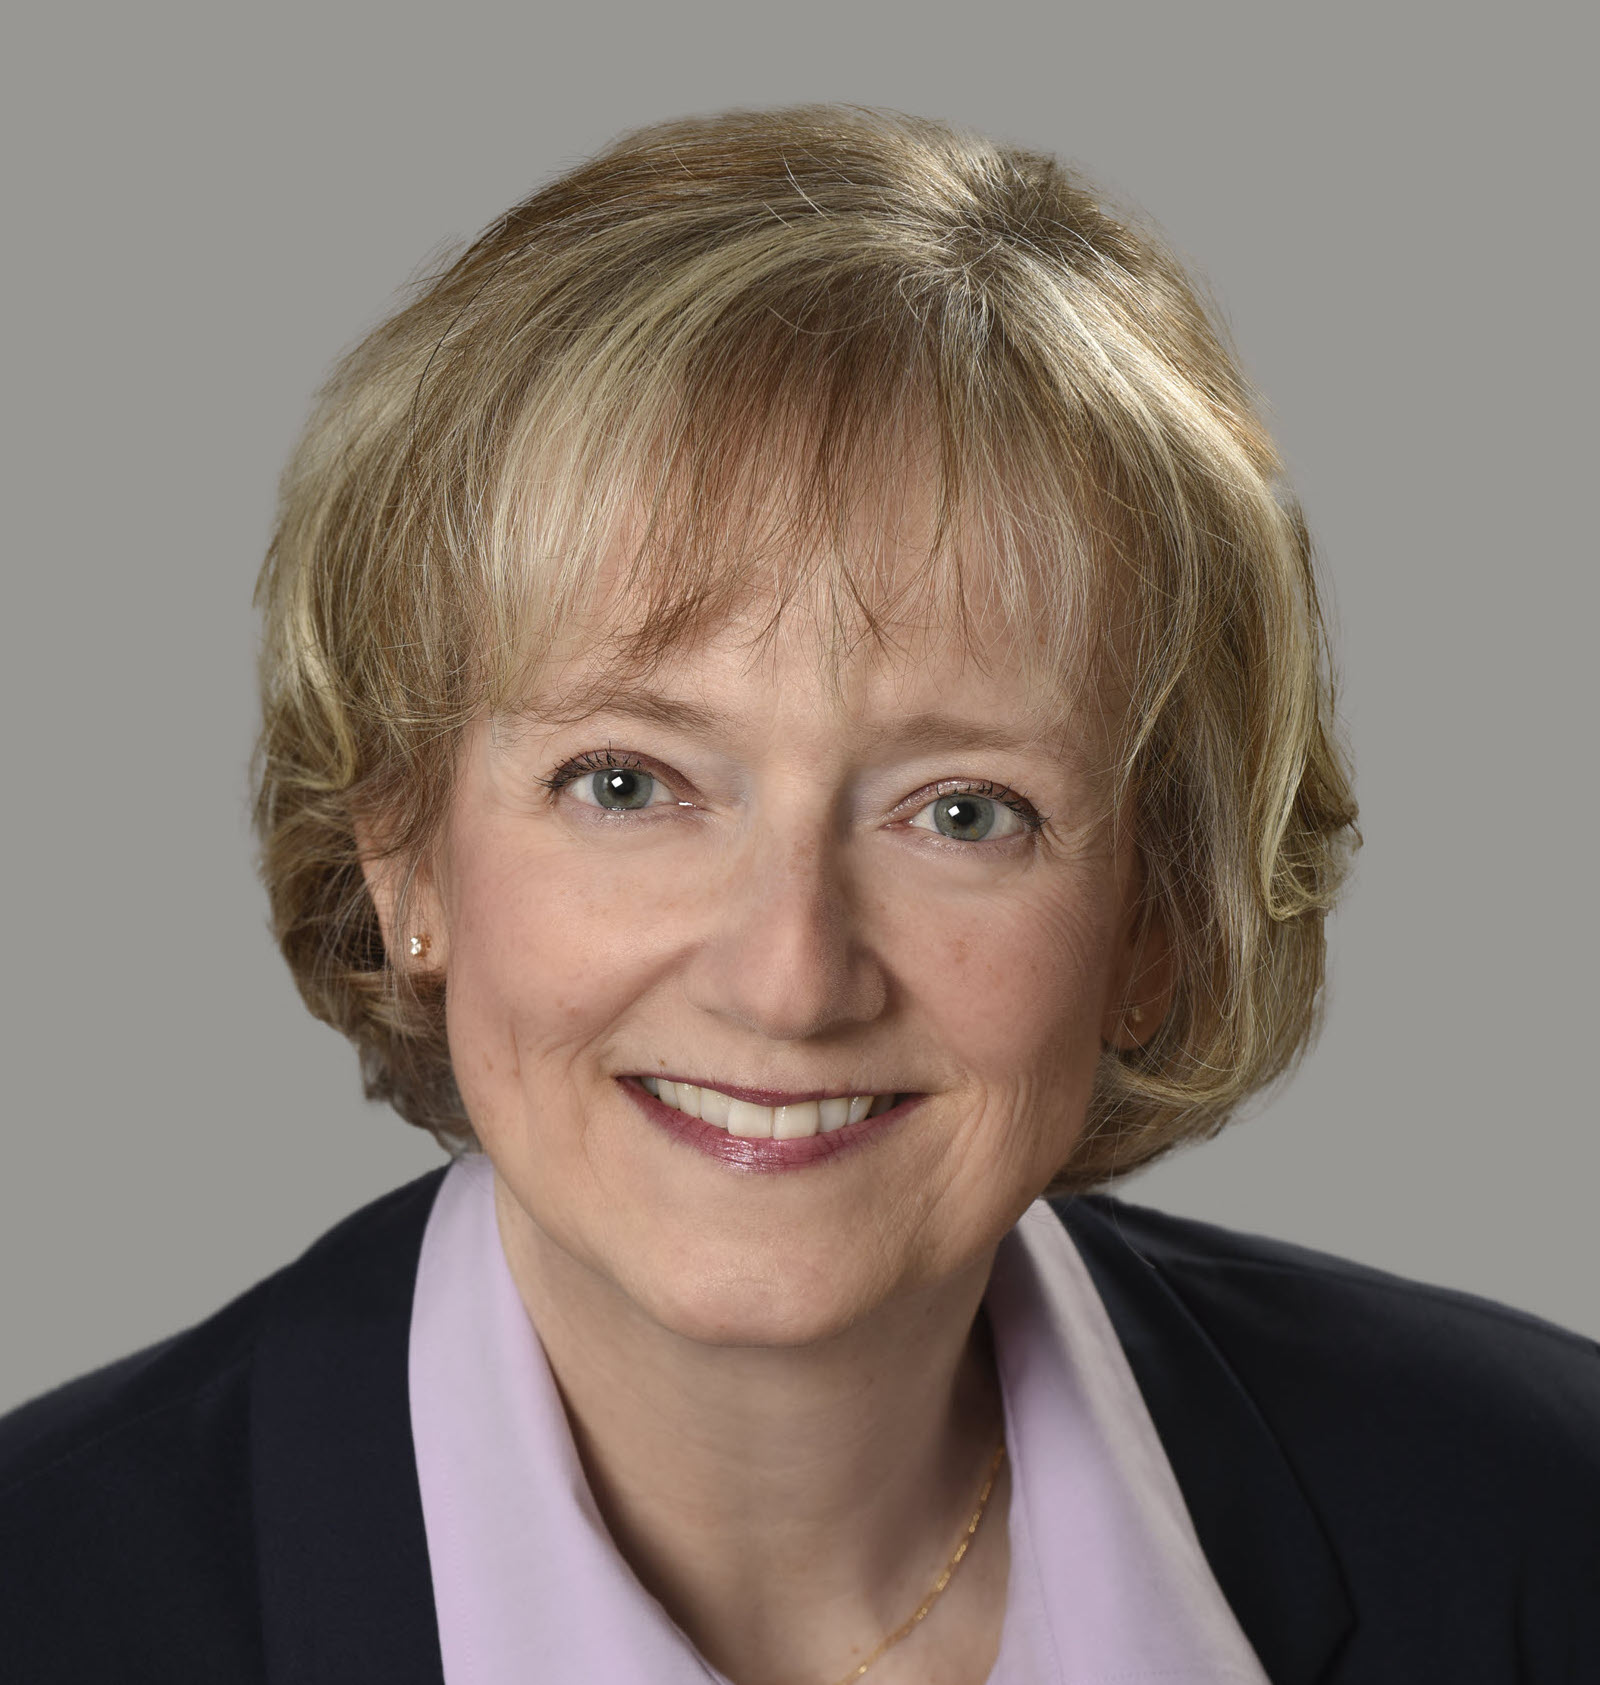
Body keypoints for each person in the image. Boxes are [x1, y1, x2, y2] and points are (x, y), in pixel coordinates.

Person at [1, 105, 1594, 1685]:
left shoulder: (1547, 1529)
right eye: (627, 783)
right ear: (404, 848)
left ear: (1158, 918)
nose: (788, 975)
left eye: (962, 811)